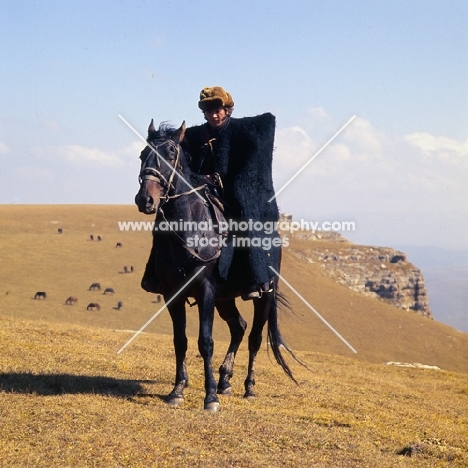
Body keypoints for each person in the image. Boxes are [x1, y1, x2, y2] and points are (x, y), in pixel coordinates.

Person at [142, 86, 279, 300]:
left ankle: (253, 278)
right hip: (200, 188)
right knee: (166, 218)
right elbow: (177, 156)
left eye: (218, 109)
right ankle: (155, 274)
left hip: (234, 188)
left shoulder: (241, 131)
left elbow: (251, 158)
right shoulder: (196, 134)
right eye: (208, 111)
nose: (214, 115)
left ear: (227, 109)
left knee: (244, 217)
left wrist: (224, 178)